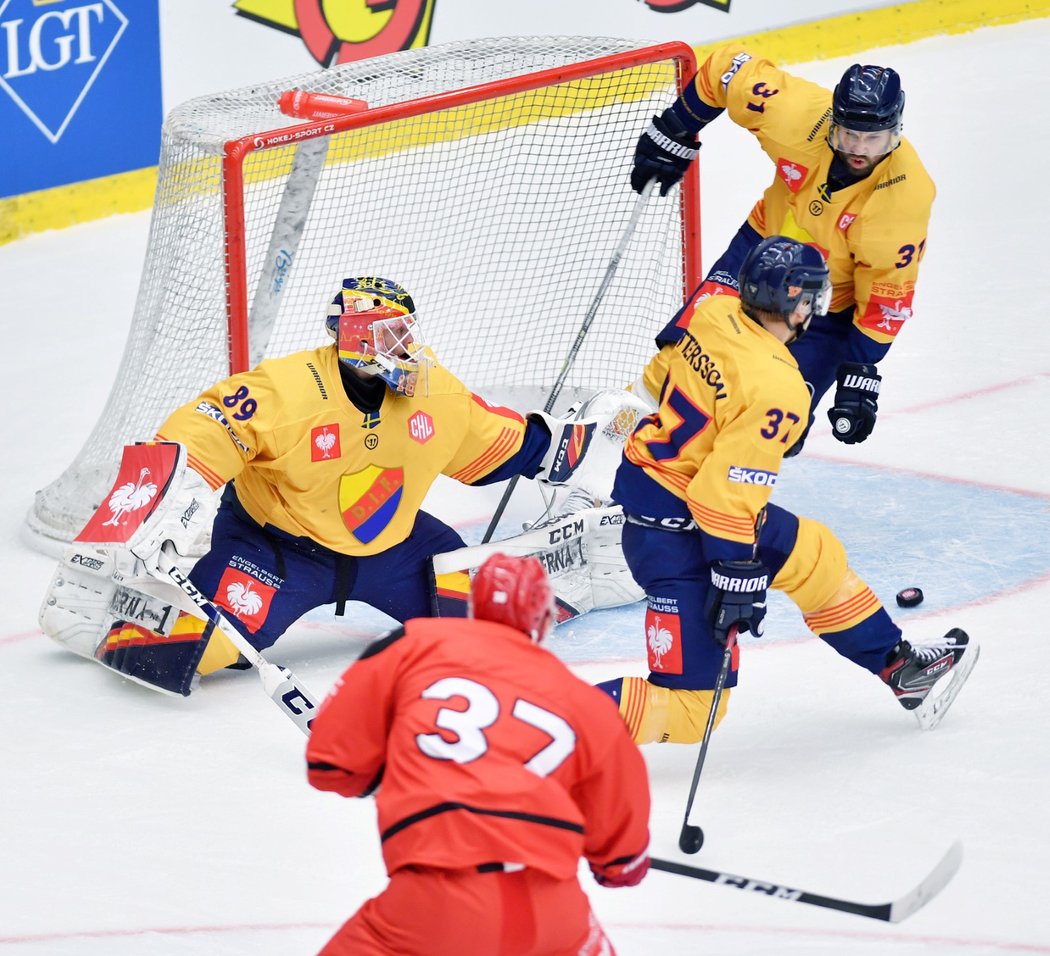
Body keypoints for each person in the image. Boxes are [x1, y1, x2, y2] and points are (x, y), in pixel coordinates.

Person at [40, 276, 608, 696]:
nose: (405, 346)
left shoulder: (435, 393)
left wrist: (579, 443)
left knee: (499, 621)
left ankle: (577, 551)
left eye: (407, 331)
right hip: (278, 553)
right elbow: (210, 422)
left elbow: (505, 443)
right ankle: (102, 605)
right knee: (191, 650)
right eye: (389, 334)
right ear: (353, 340)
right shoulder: (288, 391)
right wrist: (174, 490)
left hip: (396, 550)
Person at [595, 236, 977, 743]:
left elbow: (657, 375)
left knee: (813, 552)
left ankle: (900, 668)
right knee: (692, 715)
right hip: (683, 536)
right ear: (797, 301)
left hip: (659, 500)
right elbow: (721, 497)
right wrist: (733, 571)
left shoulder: (712, 309)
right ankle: (535, 722)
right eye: (812, 297)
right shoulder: (779, 388)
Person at [306, 553, 651, 956]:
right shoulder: (586, 703)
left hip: (433, 906)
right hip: (553, 915)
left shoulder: (413, 644)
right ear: (544, 620)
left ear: (474, 607)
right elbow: (622, 861)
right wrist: (619, 864)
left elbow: (331, 763)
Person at [631, 48, 935, 453]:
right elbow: (727, 69)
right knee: (678, 365)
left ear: (895, 131)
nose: (859, 148)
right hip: (758, 253)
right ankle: (603, 461)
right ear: (833, 122)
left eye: (874, 138)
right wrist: (676, 128)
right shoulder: (796, 116)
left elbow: (887, 294)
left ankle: (708, 497)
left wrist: (860, 370)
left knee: (774, 420)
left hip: (826, 303)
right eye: (850, 135)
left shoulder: (903, 201)